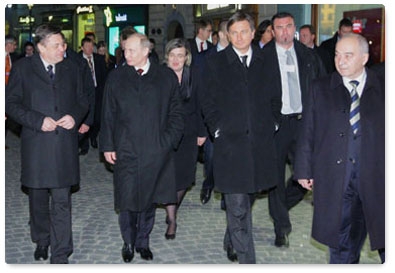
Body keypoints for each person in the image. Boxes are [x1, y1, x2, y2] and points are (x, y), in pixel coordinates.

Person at [294, 33, 385, 264]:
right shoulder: (321, 88)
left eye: (348, 55)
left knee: (384, 236)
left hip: (377, 179)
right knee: (341, 244)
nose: (340, 61)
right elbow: (308, 130)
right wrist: (304, 169)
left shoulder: (384, 87)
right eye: (337, 55)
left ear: (364, 58)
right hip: (337, 178)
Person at [200, 11, 281, 264]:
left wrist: (274, 122)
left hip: (259, 145)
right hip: (230, 146)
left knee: (249, 197)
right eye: (233, 32)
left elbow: (275, 95)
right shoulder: (216, 62)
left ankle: (231, 239)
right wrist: (217, 129)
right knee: (237, 207)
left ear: (253, 32)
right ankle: (248, 262)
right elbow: (207, 101)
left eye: (244, 31)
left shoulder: (266, 60)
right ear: (227, 34)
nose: (239, 37)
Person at [5, 24, 89, 263]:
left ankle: (61, 252)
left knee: (62, 201)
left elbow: (83, 100)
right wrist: (37, 121)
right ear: (41, 47)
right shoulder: (23, 69)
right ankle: (42, 239)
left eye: (63, 44)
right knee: (38, 199)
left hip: (63, 145)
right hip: (37, 145)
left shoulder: (72, 68)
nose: (63, 48)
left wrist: (75, 116)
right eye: (57, 45)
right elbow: (10, 104)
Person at [99, 33, 184, 263]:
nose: (126, 54)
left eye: (131, 50)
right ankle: (128, 241)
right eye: (125, 50)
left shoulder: (164, 77)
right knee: (127, 199)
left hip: (156, 150)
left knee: (148, 199)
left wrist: (167, 142)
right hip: (125, 149)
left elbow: (177, 114)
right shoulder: (116, 77)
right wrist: (107, 145)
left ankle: (143, 241)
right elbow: (107, 114)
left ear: (146, 51)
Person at [261, 12, 326, 248]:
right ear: (272, 30)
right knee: (275, 178)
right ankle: (281, 226)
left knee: (305, 176)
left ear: (295, 28)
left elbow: (321, 88)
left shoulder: (308, 55)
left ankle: (279, 207)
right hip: (276, 125)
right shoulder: (262, 57)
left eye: (289, 26)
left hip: (302, 123)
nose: (285, 32)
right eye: (280, 27)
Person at [163, 38, 203, 240]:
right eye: (172, 55)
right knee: (169, 178)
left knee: (185, 179)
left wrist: (202, 132)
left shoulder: (194, 76)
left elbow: (201, 106)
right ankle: (172, 219)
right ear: (167, 57)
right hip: (167, 135)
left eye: (180, 55)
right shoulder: (160, 76)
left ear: (186, 57)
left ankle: (173, 207)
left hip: (189, 135)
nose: (176, 59)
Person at [199, 19, 229, 205]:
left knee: (229, 160)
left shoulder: (239, 56)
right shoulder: (204, 58)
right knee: (210, 158)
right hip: (210, 118)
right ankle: (208, 183)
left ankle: (227, 195)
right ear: (223, 34)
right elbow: (200, 91)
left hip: (232, 120)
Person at [78, 37, 107, 155]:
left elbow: (104, 76)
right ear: (82, 47)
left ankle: (93, 137)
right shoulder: (77, 60)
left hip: (98, 92)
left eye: (91, 46)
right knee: (84, 117)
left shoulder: (99, 59)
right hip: (84, 93)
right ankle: (84, 144)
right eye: (87, 47)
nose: (90, 49)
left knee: (97, 118)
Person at [5, 34, 18, 149]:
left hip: (9, 92)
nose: (15, 47)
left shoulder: (13, 58)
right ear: (8, 44)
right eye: (14, 44)